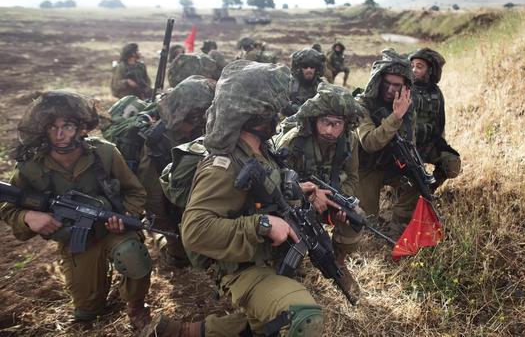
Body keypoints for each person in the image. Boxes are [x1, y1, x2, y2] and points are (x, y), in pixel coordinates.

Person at [144, 60, 326, 336]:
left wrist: (300, 194)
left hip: (267, 257)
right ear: (256, 114)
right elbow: (195, 231)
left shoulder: (259, 151)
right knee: (303, 319)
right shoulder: (224, 164)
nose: (279, 114)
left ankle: (185, 332)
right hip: (243, 268)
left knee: (265, 326)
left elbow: (260, 195)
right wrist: (262, 225)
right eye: (273, 109)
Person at [0, 90, 152, 330]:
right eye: (52, 127)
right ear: (43, 129)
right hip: (75, 242)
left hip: (112, 231)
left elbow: (136, 192)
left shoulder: (105, 153)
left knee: (132, 253)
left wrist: (127, 216)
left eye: (68, 126)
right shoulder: (32, 166)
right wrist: (28, 216)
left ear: (82, 128)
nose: (60, 134)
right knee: (87, 312)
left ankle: (136, 306)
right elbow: (8, 208)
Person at [275, 83, 366, 302]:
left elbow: (352, 177)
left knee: (357, 216)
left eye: (337, 124)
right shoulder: (294, 142)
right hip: (292, 203)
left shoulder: (349, 141)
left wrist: (341, 201)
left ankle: (338, 261)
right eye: (326, 122)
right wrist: (307, 195)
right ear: (314, 119)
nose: (330, 131)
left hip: (329, 197)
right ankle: (286, 272)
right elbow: (275, 185)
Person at [136, 76, 215, 268]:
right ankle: (164, 242)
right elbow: (153, 195)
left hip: (196, 198)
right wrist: (168, 228)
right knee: (180, 258)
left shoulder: (206, 130)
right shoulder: (157, 141)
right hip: (169, 202)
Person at [354, 49, 419, 238]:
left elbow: (410, 143)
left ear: (405, 87)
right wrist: (396, 116)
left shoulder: (407, 107)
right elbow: (369, 142)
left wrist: (412, 167)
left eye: (396, 85)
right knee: (367, 225)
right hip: (365, 168)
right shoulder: (362, 104)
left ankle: (397, 226)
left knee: (417, 181)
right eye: (387, 83)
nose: (391, 89)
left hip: (390, 165)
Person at [408, 48, 461, 192]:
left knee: (452, 164)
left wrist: (440, 145)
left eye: (419, 66)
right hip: (407, 146)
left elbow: (439, 123)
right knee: (410, 178)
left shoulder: (436, 93)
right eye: (412, 66)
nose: (414, 70)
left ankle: (428, 190)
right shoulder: (404, 88)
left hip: (429, 144)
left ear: (430, 70)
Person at [282, 48, 326, 116]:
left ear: (316, 68)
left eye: (312, 67)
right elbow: (282, 107)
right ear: (299, 68)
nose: (309, 70)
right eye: (305, 67)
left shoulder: (322, 86)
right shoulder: (290, 84)